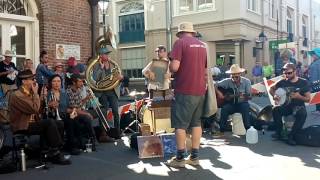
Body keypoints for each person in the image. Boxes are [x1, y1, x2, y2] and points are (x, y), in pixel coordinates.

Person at [166, 22, 207, 168]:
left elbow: (175, 67)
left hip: (184, 89)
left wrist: (169, 64)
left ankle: (179, 158)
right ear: (192, 32)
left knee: (180, 125)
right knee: (196, 123)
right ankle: (194, 157)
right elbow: (205, 69)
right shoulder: (202, 45)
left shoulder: (180, 43)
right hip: (200, 90)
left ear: (180, 33)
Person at [9, 70, 71, 165]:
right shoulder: (17, 95)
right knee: (49, 123)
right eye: (31, 79)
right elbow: (33, 109)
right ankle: (55, 152)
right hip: (22, 125)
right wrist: (36, 94)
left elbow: (38, 110)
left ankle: (50, 150)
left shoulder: (28, 92)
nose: (34, 81)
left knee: (59, 123)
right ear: (24, 81)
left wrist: (43, 99)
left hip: (33, 122)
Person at [269, 63, 310, 145]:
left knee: (302, 114)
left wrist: (299, 97)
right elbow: (271, 89)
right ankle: (279, 133)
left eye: (289, 73)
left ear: (295, 72)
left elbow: (308, 99)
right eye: (285, 73)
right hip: (286, 106)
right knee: (275, 110)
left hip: (298, 106)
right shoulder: (282, 81)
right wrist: (275, 96)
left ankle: (291, 136)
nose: (287, 75)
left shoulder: (303, 82)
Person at [92, 47, 123, 139]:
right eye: (105, 54)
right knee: (104, 112)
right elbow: (95, 78)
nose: (107, 55)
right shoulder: (96, 65)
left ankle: (117, 132)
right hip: (102, 92)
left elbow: (118, 76)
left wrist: (120, 78)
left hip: (113, 91)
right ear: (100, 55)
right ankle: (104, 133)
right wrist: (101, 69)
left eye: (107, 54)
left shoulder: (113, 64)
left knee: (116, 112)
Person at [214, 64, 252, 136]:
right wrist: (219, 94)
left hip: (242, 103)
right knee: (225, 109)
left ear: (240, 74)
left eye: (236, 76)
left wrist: (244, 97)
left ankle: (248, 129)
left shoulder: (247, 82)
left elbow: (249, 96)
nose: (234, 78)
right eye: (232, 76)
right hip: (232, 104)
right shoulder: (227, 81)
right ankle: (222, 131)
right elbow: (215, 85)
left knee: (245, 107)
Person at [308, 48, 320, 113]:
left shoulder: (315, 64)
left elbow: (314, 76)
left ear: (317, 55)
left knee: (317, 95)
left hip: (316, 83)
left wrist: (312, 84)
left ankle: (318, 110)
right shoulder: (316, 63)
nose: (312, 56)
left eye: (313, 54)